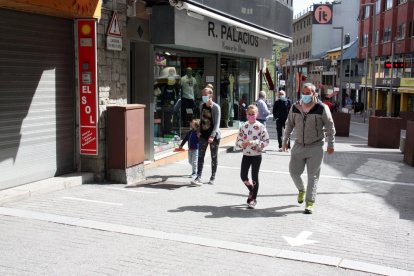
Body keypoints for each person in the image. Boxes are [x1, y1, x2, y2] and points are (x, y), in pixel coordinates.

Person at [282, 83, 336, 214]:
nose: (305, 95)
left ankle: (309, 203)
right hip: (299, 145)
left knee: (313, 176)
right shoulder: (295, 107)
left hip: (316, 147)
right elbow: (289, 124)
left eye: (308, 93)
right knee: (294, 172)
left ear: (314, 94)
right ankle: (301, 189)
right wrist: (285, 140)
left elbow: (330, 127)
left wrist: (330, 144)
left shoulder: (321, 108)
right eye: (304, 93)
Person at [235, 105, 269, 208]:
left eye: (253, 114)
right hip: (246, 155)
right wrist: (242, 144)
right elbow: (239, 139)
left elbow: (266, 141)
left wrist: (253, 142)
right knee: (243, 176)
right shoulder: (243, 126)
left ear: (257, 114)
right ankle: (251, 190)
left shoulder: (260, 126)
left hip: (256, 155)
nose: (251, 116)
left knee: (255, 177)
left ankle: (253, 198)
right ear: (246, 115)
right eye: (249, 114)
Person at [191, 85, 221, 185]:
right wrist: (198, 131)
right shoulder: (201, 105)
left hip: (213, 136)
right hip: (203, 135)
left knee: (214, 156)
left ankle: (213, 177)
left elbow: (217, 123)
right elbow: (201, 119)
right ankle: (198, 176)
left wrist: (212, 135)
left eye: (205, 94)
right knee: (200, 156)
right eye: (202, 94)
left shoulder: (216, 107)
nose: (203, 96)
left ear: (210, 95)